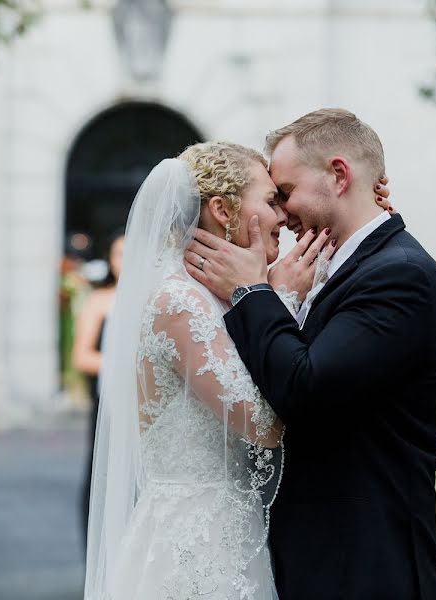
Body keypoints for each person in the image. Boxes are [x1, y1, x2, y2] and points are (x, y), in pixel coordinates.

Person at [84, 140, 393, 599]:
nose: (283, 217)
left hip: (230, 529)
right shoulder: (179, 301)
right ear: (222, 211)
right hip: (196, 541)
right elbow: (265, 424)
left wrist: (361, 211)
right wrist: (280, 301)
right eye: (271, 200)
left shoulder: (221, 294)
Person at [186, 109, 436, 599]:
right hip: (316, 558)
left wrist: (252, 293)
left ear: (338, 175)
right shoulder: (343, 264)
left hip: (366, 565)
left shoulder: (400, 277)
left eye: (285, 193)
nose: (282, 213)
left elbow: (305, 387)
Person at [72, 232, 124, 541]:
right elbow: (82, 356)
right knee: (102, 474)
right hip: (109, 401)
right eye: (119, 254)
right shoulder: (100, 300)